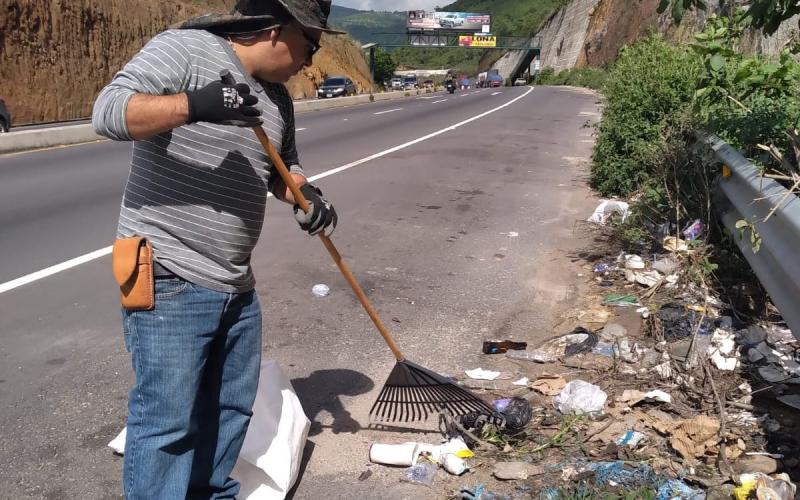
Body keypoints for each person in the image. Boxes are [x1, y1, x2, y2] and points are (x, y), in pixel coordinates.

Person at [92, 1, 342, 498]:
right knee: (166, 422)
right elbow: (108, 112)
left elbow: (282, 168)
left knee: (232, 408)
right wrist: (195, 104)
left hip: (234, 281)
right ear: (276, 30)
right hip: (171, 269)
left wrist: (306, 196)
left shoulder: (276, 98)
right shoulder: (186, 49)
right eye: (310, 45)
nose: (310, 62)